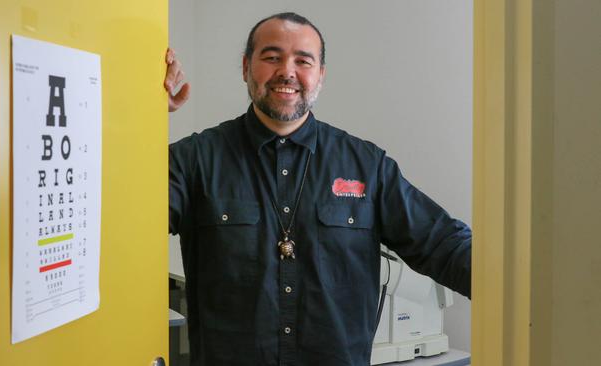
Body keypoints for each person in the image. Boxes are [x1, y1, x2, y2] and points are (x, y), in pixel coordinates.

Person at [165, 12, 471, 366]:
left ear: (320, 75)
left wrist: (526, 291)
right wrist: (144, 115)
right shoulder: (194, 160)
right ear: (247, 67)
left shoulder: (367, 166)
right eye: (272, 57)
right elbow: (123, 224)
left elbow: (444, 244)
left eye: (303, 60)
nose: (287, 72)